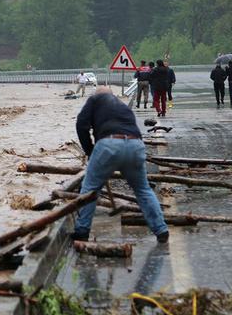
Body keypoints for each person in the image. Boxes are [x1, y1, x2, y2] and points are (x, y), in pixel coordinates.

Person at [71, 85, 169, 243]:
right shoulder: (122, 106)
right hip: (135, 145)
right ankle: (161, 230)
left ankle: (82, 231)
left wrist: (90, 151)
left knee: (90, 189)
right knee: (143, 190)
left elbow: (81, 124)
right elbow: (134, 128)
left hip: (109, 144)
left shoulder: (95, 99)